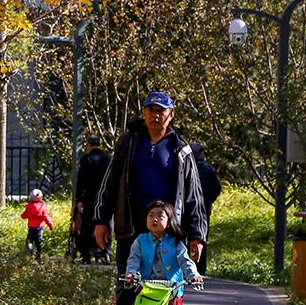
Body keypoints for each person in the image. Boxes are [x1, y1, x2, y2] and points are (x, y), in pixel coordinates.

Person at [91, 90, 209, 284]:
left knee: (165, 291)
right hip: (130, 229)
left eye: (161, 111)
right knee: (127, 287)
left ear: (171, 115)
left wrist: (197, 236)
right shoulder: (128, 143)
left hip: (167, 233)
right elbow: (109, 183)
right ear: (143, 113)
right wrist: (101, 220)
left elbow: (193, 196)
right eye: (151, 110)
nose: (156, 115)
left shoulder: (181, 149)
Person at [121, 199, 203, 305]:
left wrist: (193, 275)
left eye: (160, 216)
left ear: (169, 221)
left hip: (171, 288)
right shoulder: (140, 241)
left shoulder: (175, 242)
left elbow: (185, 261)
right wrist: (131, 274)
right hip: (147, 286)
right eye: (151, 215)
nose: (155, 219)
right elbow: (134, 260)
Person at [71, 136, 111, 263]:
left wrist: (79, 199)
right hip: (106, 197)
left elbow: (81, 181)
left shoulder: (86, 159)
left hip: (89, 197)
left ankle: (86, 255)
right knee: (106, 224)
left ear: (89, 145)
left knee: (87, 226)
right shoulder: (108, 158)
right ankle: (105, 252)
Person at [193, 147, 222, 274]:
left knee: (186, 238)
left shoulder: (186, 166)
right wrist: (209, 199)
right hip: (204, 209)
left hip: (187, 209)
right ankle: (200, 269)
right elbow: (217, 188)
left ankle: (185, 268)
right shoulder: (208, 169)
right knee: (202, 237)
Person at [21, 189, 55, 261]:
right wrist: (51, 225)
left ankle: (30, 252)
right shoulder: (43, 207)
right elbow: (46, 217)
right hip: (40, 228)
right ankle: (38, 256)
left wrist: (23, 215)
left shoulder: (29, 206)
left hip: (31, 227)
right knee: (38, 242)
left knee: (29, 240)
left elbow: (24, 215)